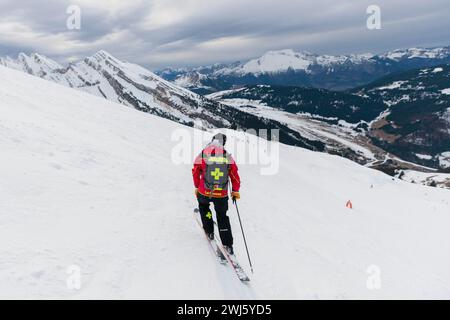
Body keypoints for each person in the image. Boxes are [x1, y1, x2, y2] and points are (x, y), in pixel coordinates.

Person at [192, 133, 241, 255]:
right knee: (222, 216)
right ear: (223, 142)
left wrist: (197, 186)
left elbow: (195, 170)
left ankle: (209, 231)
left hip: (204, 191)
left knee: (204, 208)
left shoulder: (204, 153)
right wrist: (235, 191)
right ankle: (228, 244)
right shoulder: (227, 156)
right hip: (221, 194)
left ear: (213, 140)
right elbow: (234, 175)